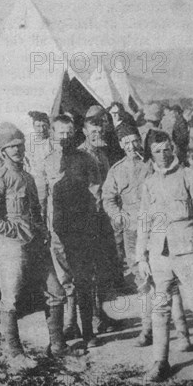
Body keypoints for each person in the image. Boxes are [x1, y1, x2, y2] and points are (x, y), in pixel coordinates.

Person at [136, 130, 193, 386]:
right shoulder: (149, 183)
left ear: (173, 149)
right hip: (159, 257)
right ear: (150, 153)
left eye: (166, 149)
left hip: (188, 255)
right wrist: (141, 256)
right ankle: (160, 362)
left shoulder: (190, 176)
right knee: (160, 309)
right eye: (156, 151)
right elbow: (143, 222)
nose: (163, 155)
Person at [0, 122, 72, 365]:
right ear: (3, 152)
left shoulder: (28, 178)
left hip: (35, 244)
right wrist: (14, 230)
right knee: (10, 299)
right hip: (11, 247)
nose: (18, 150)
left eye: (20, 145)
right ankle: (15, 354)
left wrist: (42, 231)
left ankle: (57, 345)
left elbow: (36, 210)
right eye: (12, 147)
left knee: (56, 292)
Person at [102, 124, 191, 350]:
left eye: (134, 140)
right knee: (143, 282)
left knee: (170, 281)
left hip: (160, 229)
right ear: (121, 145)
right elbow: (108, 199)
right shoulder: (117, 170)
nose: (131, 146)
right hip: (133, 232)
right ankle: (147, 329)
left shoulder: (154, 163)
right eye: (126, 142)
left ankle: (182, 333)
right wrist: (119, 217)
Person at [39, 115, 102, 348]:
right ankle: (70, 324)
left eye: (68, 132)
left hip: (81, 229)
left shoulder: (87, 159)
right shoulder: (46, 162)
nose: (64, 137)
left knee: (84, 279)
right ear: (52, 134)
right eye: (60, 132)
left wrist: (90, 222)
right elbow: (43, 198)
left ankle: (88, 331)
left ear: (74, 133)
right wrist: (44, 228)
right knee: (65, 280)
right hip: (57, 231)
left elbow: (95, 191)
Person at [78, 116, 124, 334]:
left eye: (100, 132)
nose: (98, 135)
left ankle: (106, 314)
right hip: (89, 217)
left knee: (106, 267)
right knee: (93, 269)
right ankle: (95, 318)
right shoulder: (80, 155)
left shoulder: (103, 153)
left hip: (104, 216)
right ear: (85, 132)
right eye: (93, 132)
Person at [24, 111, 53, 220]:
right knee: (39, 211)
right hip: (37, 182)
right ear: (33, 126)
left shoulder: (53, 141)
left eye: (44, 126)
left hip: (52, 181)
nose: (41, 129)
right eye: (38, 126)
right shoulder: (28, 143)